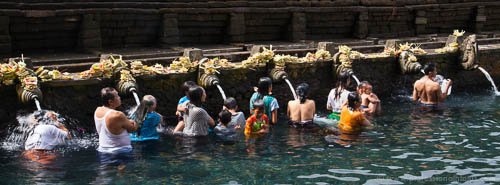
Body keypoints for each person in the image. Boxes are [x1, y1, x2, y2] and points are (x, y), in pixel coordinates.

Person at [94, 87, 137, 164]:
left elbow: (116, 124)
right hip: (120, 153)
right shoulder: (117, 115)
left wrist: (126, 121)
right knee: (123, 174)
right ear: (110, 102)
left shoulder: (98, 110)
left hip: (102, 151)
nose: (119, 97)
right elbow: (132, 129)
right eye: (117, 96)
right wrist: (134, 122)